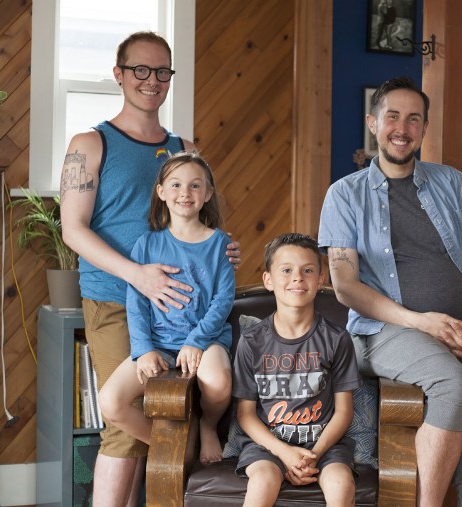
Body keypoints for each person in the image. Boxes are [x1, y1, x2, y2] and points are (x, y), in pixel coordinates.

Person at [60, 31, 240, 507]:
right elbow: (73, 231)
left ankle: (178, 458)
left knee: (174, 408)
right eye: (140, 69)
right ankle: (175, 454)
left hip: (185, 307)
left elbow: (203, 217)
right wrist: (138, 275)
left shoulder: (185, 146)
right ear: (119, 74)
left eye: (162, 71)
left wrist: (224, 252)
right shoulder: (90, 143)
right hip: (118, 297)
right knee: (125, 424)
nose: (152, 80)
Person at [317, 76, 462, 507]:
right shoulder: (344, 194)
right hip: (381, 333)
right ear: (373, 123)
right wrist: (421, 322)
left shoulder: (451, 183)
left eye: (414, 118)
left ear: (424, 128)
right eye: (392, 116)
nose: (403, 127)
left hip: (453, 333)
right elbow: (345, 286)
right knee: (453, 386)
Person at [98, 152, 234, 466]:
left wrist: (197, 341)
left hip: (206, 339)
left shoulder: (220, 244)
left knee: (218, 381)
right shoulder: (146, 245)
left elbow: (223, 301)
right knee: (110, 401)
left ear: (207, 194)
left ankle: (207, 426)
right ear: (161, 192)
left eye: (195, 185)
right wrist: (144, 348)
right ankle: (174, 443)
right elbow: (136, 302)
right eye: (175, 184)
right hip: (157, 342)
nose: (185, 193)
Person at [231, 233, 362, 507]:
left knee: (341, 484)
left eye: (308, 270)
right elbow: (245, 413)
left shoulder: (337, 339)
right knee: (263, 482)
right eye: (286, 270)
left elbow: (344, 411)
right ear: (269, 280)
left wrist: (311, 455)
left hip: (324, 446)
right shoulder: (252, 340)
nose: (298, 278)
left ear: (321, 278)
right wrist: (286, 453)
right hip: (268, 446)